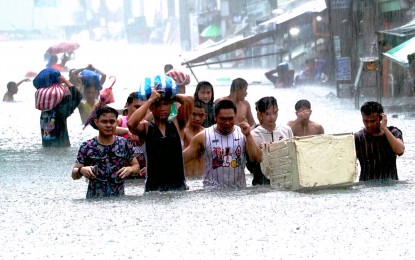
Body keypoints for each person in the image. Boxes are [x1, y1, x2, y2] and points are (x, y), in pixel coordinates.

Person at [183, 99, 263, 189]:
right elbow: (181, 160)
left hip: (239, 192)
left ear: (235, 116)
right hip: (212, 192)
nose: (227, 123)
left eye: (230, 119)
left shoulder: (243, 134)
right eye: (223, 119)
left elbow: (258, 158)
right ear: (215, 117)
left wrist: (248, 135)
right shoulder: (203, 136)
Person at [128, 85, 193, 192]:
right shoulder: (146, 128)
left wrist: (170, 94)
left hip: (179, 188)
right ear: (151, 108)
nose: (162, 108)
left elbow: (190, 100)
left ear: (171, 105)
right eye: (158, 105)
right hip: (154, 190)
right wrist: (150, 100)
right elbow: (131, 124)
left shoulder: (177, 124)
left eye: (166, 104)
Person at [72, 106, 139, 199]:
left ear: (116, 123)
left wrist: (130, 169)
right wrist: (81, 170)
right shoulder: (87, 146)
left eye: (112, 121)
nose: (108, 125)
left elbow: (136, 166)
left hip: (119, 200)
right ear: (96, 122)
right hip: (93, 201)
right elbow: (74, 175)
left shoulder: (124, 144)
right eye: (104, 121)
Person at [355, 101, 405, 181]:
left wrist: (384, 128)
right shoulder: (359, 138)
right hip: (366, 186)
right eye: (365, 121)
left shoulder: (393, 132)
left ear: (381, 118)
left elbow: (400, 151)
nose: (369, 125)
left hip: (391, 185)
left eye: (372, 121)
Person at [249, 96, 294, 185]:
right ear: (259, 115)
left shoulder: (286, 130)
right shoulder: (253, 135)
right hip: (261, 182)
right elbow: (251, 163)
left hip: (285, 179)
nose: (272, 117)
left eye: (275, 113)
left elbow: (292, 155)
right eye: (267, 114)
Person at [40, 75, 82, 147]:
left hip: (47, 150)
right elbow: (77, 96)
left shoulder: (44, 113)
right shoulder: (62, 111)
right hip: (61, 148)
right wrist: (65, 81)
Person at [117, 92, 151, 178]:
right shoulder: (121, 121)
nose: (140, 111)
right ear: (127, 105)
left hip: (145, 173)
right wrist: (127, 131)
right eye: (137, 107)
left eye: (143, 107)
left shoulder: (148, 124)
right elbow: (105, 128)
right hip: (124, 172)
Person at [183, 100, 206, 177]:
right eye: (194, 114)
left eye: (201, 115)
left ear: (205, 116)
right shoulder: (182, 133)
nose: (197, 118)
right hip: (187, 179)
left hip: (203, 180)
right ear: (188, 113)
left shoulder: (208, 133)